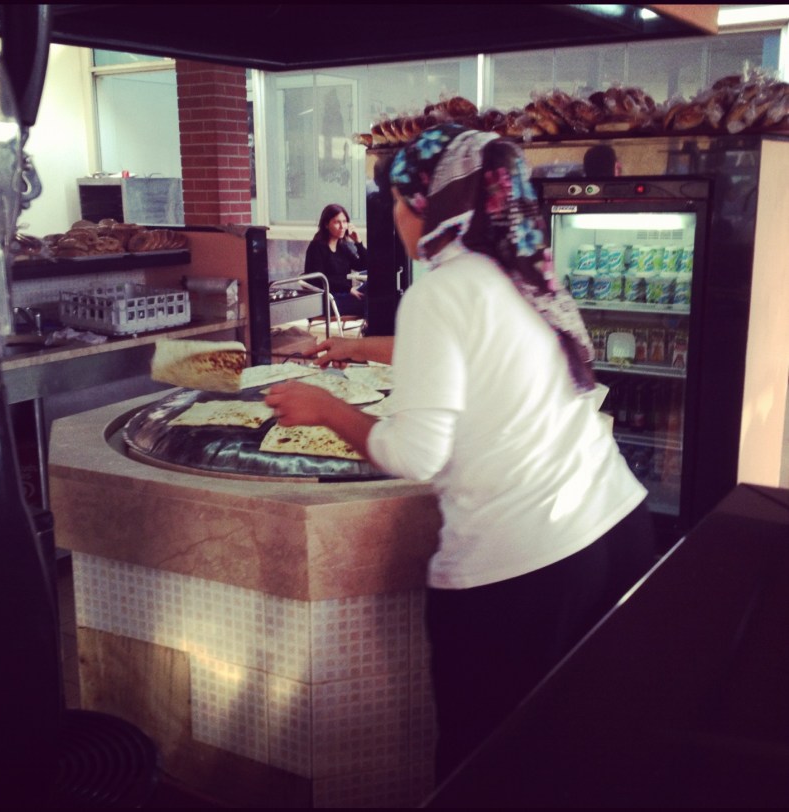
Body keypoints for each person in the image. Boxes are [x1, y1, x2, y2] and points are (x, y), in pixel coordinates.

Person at [266, 124, 655, 784]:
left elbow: (415, 453)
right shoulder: (520, 268)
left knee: (485, 771)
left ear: (431, 203)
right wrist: (357, 348)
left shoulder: (439, 290)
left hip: (524, 572)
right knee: (574, 763)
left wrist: (324, 408)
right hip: (616, 529)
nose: (392, 215)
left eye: (398, 199)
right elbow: (480, 354)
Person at [304, 203, 368, 318]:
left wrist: (358, 243)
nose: (342, 226)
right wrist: (348, 289)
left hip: (346, 294)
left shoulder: (342, 247)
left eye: (344, 222)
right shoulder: (316, 247)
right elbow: (318, 278)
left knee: (377, 285)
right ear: (326, 225)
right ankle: (371, 332)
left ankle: (371, 331)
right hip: (328, 300)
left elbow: (364, 266)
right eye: (337, 222)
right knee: (372, 302)